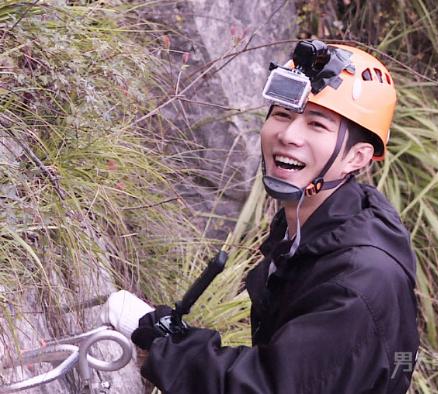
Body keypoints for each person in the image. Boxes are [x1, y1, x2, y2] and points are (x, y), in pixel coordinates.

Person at [101, 39, 419, 394]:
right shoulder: (318, 223)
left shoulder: (358, 282)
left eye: (317, 125)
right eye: (283, 114)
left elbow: (271, 387)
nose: (288, 135)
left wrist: (167, 347)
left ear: (357, 157)